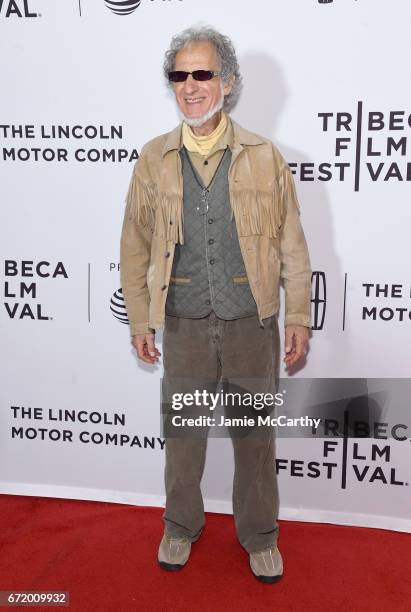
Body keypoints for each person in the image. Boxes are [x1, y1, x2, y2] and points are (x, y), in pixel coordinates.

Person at [120, 25, 312, 583]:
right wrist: (139, 317)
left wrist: (297, 312)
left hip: (252, 321)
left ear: (227, 82)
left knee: (255, 440)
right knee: (184, 438)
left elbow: (292, 243)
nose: (190, 86)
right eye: (179, 75)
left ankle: (260, 536)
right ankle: (180, 525)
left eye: (202, 74)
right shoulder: (154, 158)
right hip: (180, 320)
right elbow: (133, 243)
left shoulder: (263, 155)